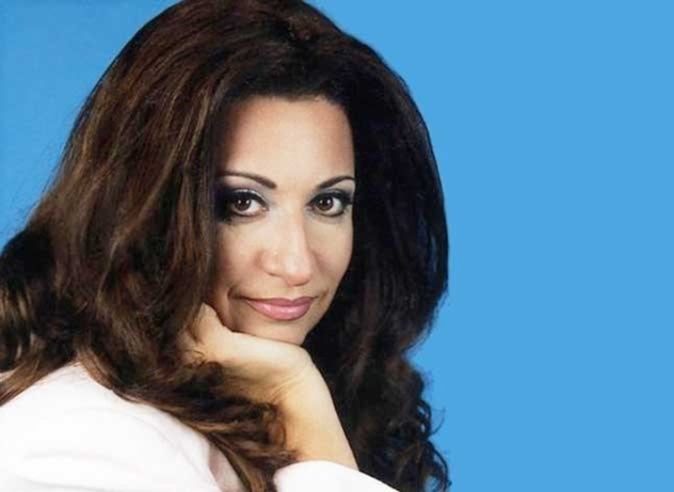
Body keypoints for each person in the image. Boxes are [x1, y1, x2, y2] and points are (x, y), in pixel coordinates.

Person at [0, 1, 450, 491]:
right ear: (144, 209)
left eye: (327, 202)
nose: (297, 264)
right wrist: (298, 397)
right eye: (242, 203)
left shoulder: (276, 407)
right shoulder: (81, 443)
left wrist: (299, 401)